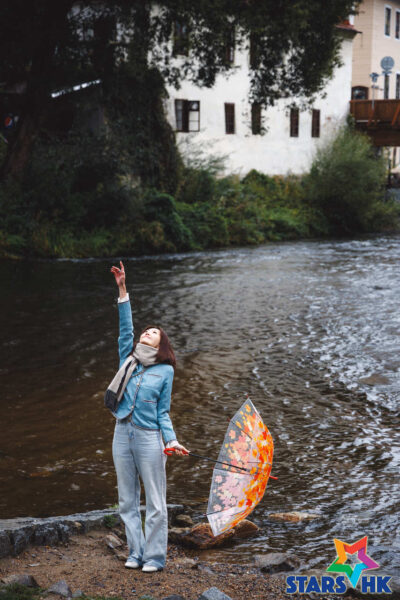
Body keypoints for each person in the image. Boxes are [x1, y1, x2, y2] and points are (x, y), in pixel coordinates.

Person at [109, 261, 188, 573]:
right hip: (121, 432)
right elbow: (125, 329)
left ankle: (154, 557)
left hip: (149, 438)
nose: (147, 332)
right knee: (127, 499)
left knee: (155, 501)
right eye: (146, 330)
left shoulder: (165, 371)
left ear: (161, 344)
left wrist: (172, 440)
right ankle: (135, 552)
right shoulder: (127, 359)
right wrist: (122, 289)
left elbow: (163, 411)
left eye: (154, 332)